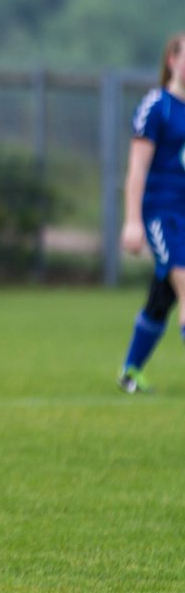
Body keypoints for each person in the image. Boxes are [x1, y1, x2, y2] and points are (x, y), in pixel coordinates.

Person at [118, 31, 185, 393]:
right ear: (172, 60)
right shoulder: (155, 106)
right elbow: (138, 168)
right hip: (163, 215)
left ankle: (130, 371)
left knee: (164, 295)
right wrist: (132, 221)